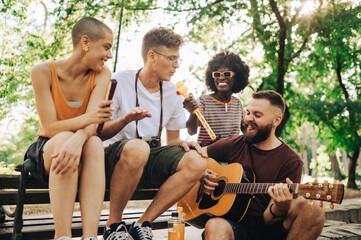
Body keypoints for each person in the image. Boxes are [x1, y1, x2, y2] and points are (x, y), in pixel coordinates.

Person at [100, 27, 207, 240]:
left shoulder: (173, 93)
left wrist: (184, 145)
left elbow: (174, 138)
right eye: (172, 59)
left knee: (197, 161)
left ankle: (143, 223)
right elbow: (100, 132)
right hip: (113, 157)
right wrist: (126, 119)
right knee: (138, 148)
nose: (177, 65)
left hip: (147, 157)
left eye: (179, 60)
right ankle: (113, 226)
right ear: (152, 56)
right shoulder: (118, 81)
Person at [24, 17, 114, 240]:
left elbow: (93, 125)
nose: (109, 55)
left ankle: (90, 237)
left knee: (93, 142)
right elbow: (50, 126)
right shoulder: (42, 71)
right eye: (106, 47)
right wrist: (84, 125)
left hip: (83, 145)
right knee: (64, 137)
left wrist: (80, 137)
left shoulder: (102, 74)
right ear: (85, 42)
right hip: (48, 148)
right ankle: (62, 236)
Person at [201, 90, 325, 240]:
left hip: (270, 230)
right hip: (232, 224)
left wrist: (281, 205)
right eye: (247, 113)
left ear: (276, 121)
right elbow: (196, 156)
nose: (248, 119)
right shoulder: (235, 144)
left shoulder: (291, 160)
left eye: (257, 115)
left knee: (315, 208)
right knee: (214, 226)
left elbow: (269, 218)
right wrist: (202, 174)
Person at [183, 51, 250, 146]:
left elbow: (247, 132)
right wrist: (193, 112)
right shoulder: (204, 101)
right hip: (207, 154)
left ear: (237, 77)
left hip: (231, 156)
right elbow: (191, 131)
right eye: (217, 75)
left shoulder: (237, 103)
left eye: (227, 74)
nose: (221, 78)